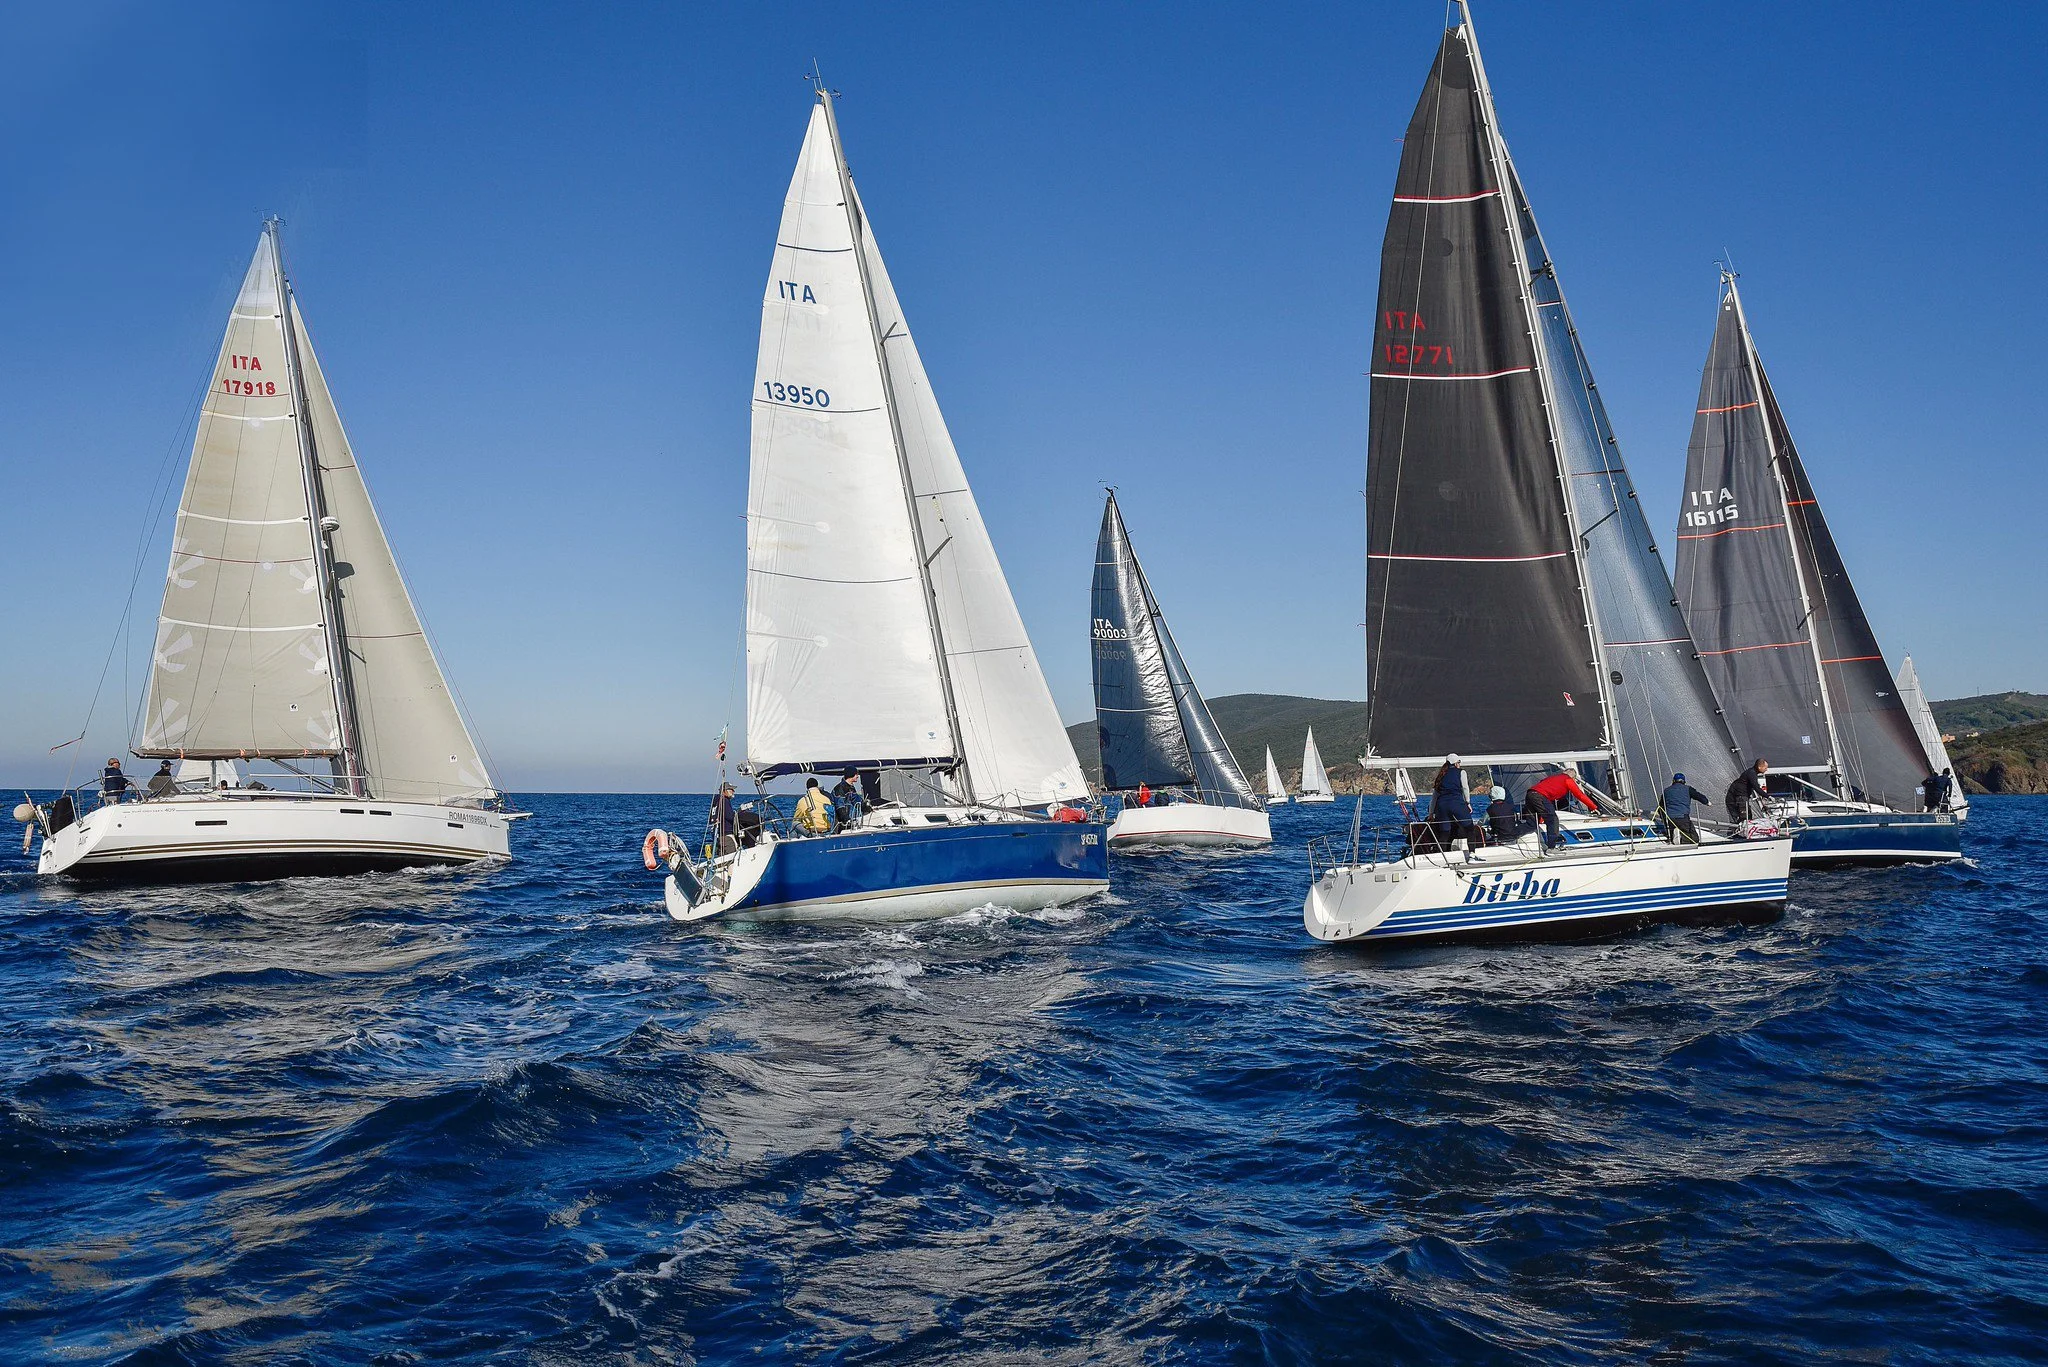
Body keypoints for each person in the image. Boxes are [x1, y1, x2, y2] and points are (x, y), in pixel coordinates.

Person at [1429, 755, 1478, 844]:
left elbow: (1434, 797)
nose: (1459, 764)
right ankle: (1472, 854)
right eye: (1459, 762)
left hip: (1442, 806)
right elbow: (1465, 788)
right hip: (1456, 804)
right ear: (1455, 763)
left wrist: (1431, 813)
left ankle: (1442, 854)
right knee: (1470, 829)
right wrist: (1467, 802)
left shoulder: (1441, 775)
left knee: (1445, 833)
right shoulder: (1461, 772)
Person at [1660, 772, 1711, 845]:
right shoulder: (1688, 789)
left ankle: (1675, 836)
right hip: (1682, 817)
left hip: (1669, 818)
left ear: (1673, 781)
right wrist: (1707, 802)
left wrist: (1663, 819)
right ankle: (1680, 839)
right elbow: (1698, 796)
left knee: (1672, 834)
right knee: (1694, 839)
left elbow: (1661, 806)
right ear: (1683, 781)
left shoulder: (1666, 791)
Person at [1725, 759, 1769, 823]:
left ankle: (1740, 829)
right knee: (1744, 818)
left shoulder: (1752, 773)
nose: (1766, 769)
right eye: (1765, 768)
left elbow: (1755, 787)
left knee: (1748, 817)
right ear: (1759, 767)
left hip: (1741, 796)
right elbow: (1756, 788)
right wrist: (1768, 796)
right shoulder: (1751, 773)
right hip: (1738, 797)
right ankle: (1737, 831)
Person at [709, 782, 739, 855]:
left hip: (717, 837)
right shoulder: (724, 800)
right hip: (726, 835)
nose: (733, 791)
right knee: (732, 857)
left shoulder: (716, 801)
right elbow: (729, 816)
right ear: (725, 791)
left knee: (722, 857)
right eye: (731, 789)